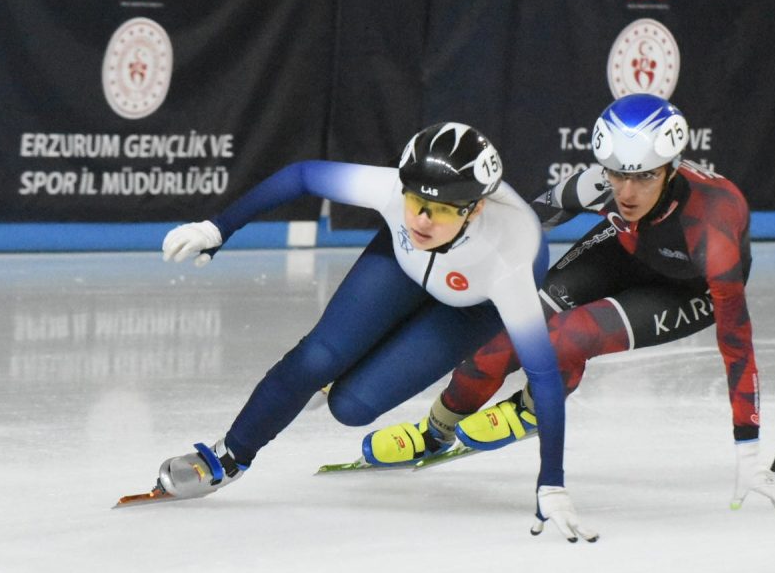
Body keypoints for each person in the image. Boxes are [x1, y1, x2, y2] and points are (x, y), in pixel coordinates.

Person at [153, 122, 597, 542]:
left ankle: (332, 382)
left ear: (476, 208)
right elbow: (302, 175)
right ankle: (229, 456)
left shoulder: (508, 262)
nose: (422, 220)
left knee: (351, 407)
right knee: (316, 358)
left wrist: (552, 483)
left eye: (441, 210)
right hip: (403, 263)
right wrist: (217, 228)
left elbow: (542, 375)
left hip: (472, 303)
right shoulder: (396, 196)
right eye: (415, 201)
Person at [363, 94, 775, 515]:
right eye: (617, 175)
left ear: (671, 168)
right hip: (623, 250)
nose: (626, 191)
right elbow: (521, 225)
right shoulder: (596, 185)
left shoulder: (713, 226)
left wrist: (748, 447)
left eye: (644, 177)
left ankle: (530, 410)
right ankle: (435, 430)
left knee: (567, 335)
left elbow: (737, 345)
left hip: (685, 289)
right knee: (505, 329)